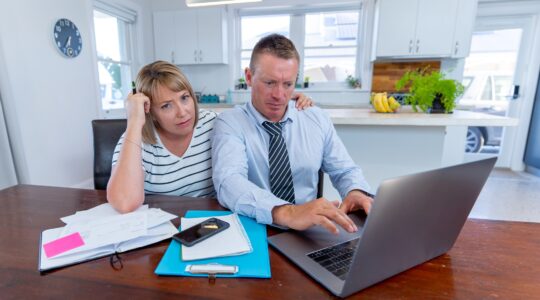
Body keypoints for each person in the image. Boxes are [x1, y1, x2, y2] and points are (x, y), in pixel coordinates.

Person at [212, 34, 373, 235]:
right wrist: (288, 212)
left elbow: (345, 170)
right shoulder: (230, 122)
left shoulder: (316, 118)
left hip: (311, 231)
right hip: (254, 228)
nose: (279, 95)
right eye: (269, 83)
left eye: (287, 84)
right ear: (249, 77)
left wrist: (355, 190)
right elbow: (229, 182)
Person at [107, 60, 313, 213]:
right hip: (160, 232)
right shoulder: (134, 140)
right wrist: (134, 122)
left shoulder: (215, 124)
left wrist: (281, 101)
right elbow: (125, 203)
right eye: (166, 105)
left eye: (185, 98)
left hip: (213, 223)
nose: (183, 112)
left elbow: (257, 122)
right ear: (149, 110)